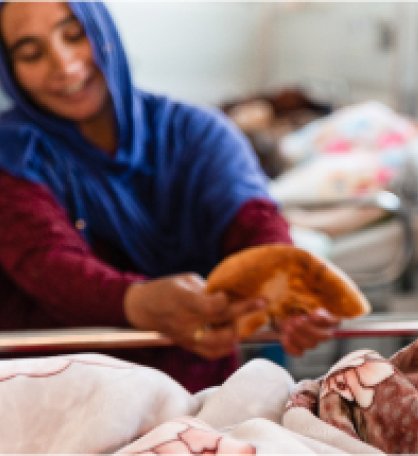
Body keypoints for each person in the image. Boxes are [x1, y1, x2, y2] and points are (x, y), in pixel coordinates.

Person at [0, 1, 337, 393]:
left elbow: (253, 221)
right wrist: (135, 302)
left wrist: (284, 287)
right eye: (31, 53)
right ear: (11, 71)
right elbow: (49, 263)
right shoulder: (11, 156)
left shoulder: (198, 133)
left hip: (197, 402)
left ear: (103, 30)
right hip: (55, 401)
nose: (64, 65)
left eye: (75, 35)